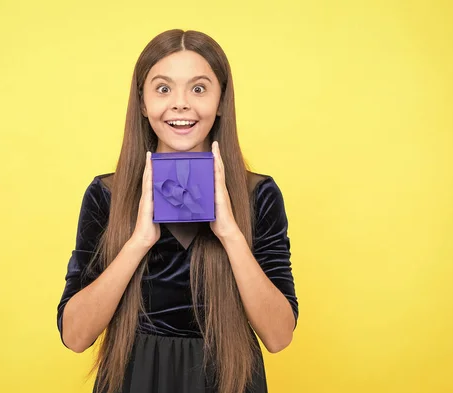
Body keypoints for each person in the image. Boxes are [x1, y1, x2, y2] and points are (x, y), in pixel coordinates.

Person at [56, 29, 299, 393]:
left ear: (220, 101)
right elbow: (75, 336)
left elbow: (279, 336)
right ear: (142, 102)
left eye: (199, 88)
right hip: (134, 379)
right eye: (164, 88)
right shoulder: (106, 194)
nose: (181, 103)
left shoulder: (258, 194)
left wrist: (230, 232)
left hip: (228, 379)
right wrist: (139, 240)